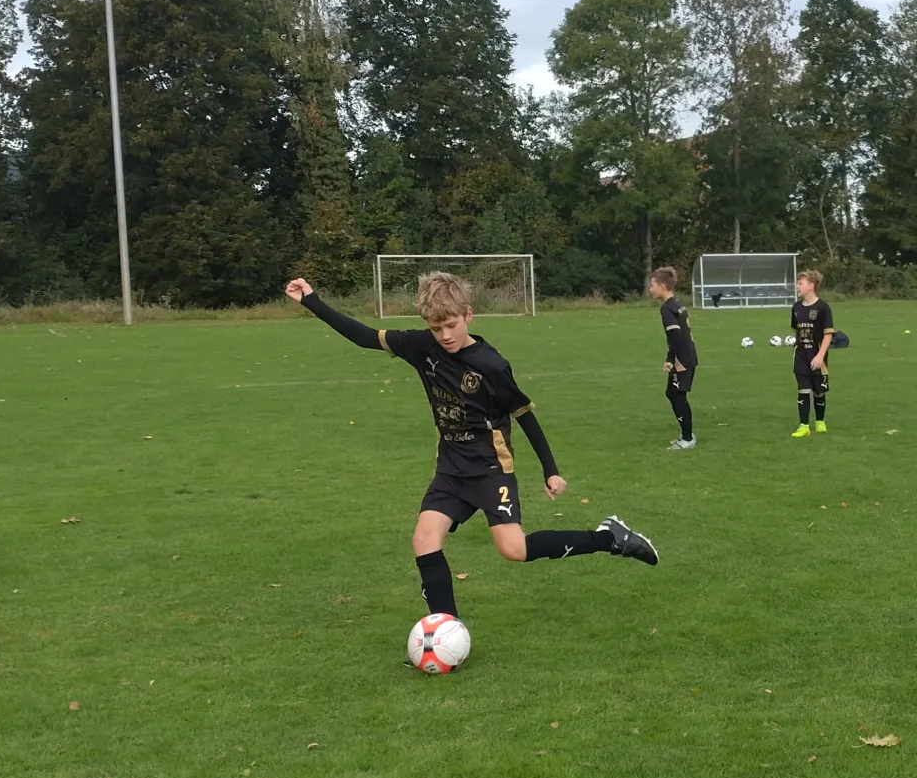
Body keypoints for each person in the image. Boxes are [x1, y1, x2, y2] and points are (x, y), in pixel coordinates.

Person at [285, 273, 658, 632]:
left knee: (514, 549)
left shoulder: (491, 365)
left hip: (490, 470)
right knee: (424, 540)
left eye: (451, 325)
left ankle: (608, 537)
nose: (445, 336)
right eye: (436, 328)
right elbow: (364, 336)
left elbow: (523, 414)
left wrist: (551, 469)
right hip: (450, 470)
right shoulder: (421, 347)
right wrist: (311, 301)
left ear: (468, 315)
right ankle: (446, 630)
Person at [646, 266, 697, 450]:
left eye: (652, 285)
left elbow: (676, 335)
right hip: (688, 355)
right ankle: (686, 435)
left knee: (677, 395)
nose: (650, 289)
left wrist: (670, 359)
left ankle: (688, 438)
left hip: (682, 359)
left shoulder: (667, 308)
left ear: (661, 286)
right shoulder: (677, 303)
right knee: (673, 394)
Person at [788, 269, 835, 437]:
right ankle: (804, 426)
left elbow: (828, 334)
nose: (797, 287)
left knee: (819, 391)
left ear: (811, 286)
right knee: (803, 389)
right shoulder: (796, 308)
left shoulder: (823, 308)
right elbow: (796, 329)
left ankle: (820, 421)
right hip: (801, 355)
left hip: (817, 355)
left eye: (800, 284)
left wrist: (820, 356)